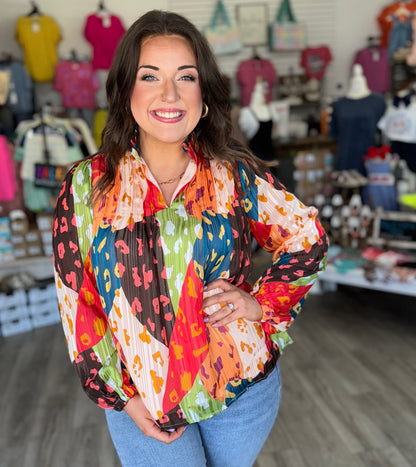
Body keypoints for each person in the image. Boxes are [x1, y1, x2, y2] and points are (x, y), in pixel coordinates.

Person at [52, 10, 328, 467]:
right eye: (149, 76)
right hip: (141, 396)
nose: (169, 94)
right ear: (126, 92)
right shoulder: (86, 186)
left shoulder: (236, 174)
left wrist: (260, 303)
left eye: (186, 76)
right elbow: (77, 301)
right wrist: (121, 398)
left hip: (241, 388)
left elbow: (307, 238)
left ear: (203, 95)